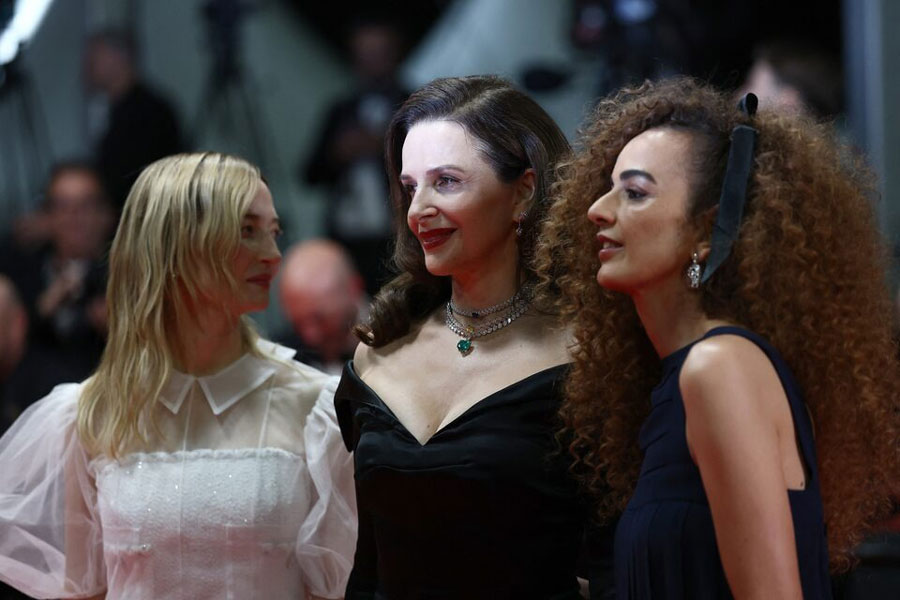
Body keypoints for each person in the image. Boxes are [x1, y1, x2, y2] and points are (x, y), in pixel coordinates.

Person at [536, 77, 900, 598]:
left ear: (707, 233)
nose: (598, 208)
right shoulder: (682, 376)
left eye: (634, 192)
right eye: (609, 186)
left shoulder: (719, 366)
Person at [0, 153, 356, 599]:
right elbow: (85, 591)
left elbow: (333, 590)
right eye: (247, 231)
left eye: (273, 232)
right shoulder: (90, 413)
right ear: (176, 243)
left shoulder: (314, 406)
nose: (272, 256)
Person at [335, 75, 613, 599]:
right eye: (410, 186)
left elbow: (613, 566)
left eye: (447, 182)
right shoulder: (379, 349)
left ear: (523, 192)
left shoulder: (589, 352)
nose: (418, 210)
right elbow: (367, 566)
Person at [301, 18, 408, 295]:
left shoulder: (414, 104)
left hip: (397, 235)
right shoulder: (340, 110)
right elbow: (310, 174)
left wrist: (387, 148)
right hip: (346, 238)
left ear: (394, 55)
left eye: (379, 53)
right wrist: (338, 154)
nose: (372, 62)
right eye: (364, 55)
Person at [0, 162, 113, 407]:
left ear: (106, 214)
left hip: (107, 403)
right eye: (63, 206)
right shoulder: (21, 276)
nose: (74, 218)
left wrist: (121, 331)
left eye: (86, 206)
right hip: (25, 409)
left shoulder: (128, 277)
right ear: (46, 216)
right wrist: (40, 310)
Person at [84, 29, 184, 208]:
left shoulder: (146, 113)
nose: (88, 66)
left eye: (95, 57)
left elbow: (125, 182)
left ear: (118, 58)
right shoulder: (124, 110)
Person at [277, 239, 368, 375]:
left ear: (354, 289)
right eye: (297, 323)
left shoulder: (394, 340)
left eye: (319, 319)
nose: (310, 336)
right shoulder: (285, 353)